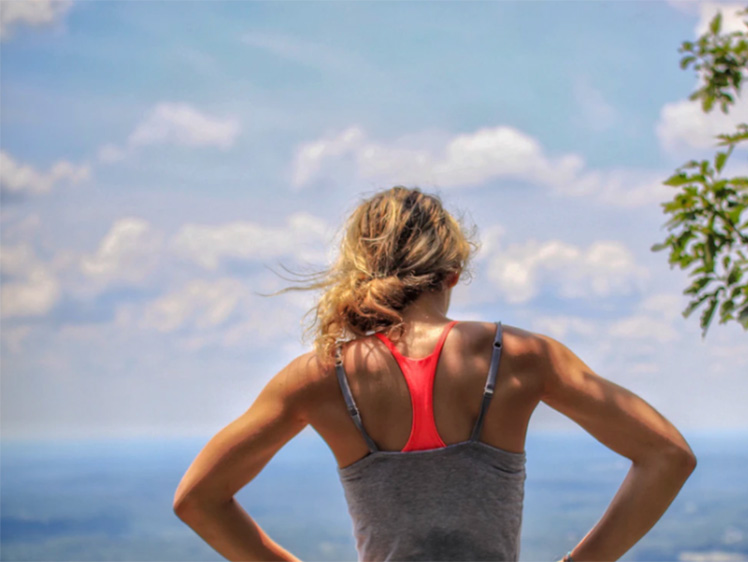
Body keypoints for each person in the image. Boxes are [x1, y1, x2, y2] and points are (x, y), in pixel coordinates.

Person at [173, 186, 697, 561]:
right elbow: (668, 455)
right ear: (451, 274)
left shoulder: (320, 376)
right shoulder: (516, 356)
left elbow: (198, 499)